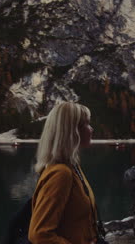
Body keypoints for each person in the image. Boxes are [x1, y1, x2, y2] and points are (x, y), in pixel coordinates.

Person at [28, 102, 98, 244]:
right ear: (71, 131)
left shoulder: (73, 166)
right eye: (85, 124)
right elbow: (39, 235)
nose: (91, 129)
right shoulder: (61, 174)